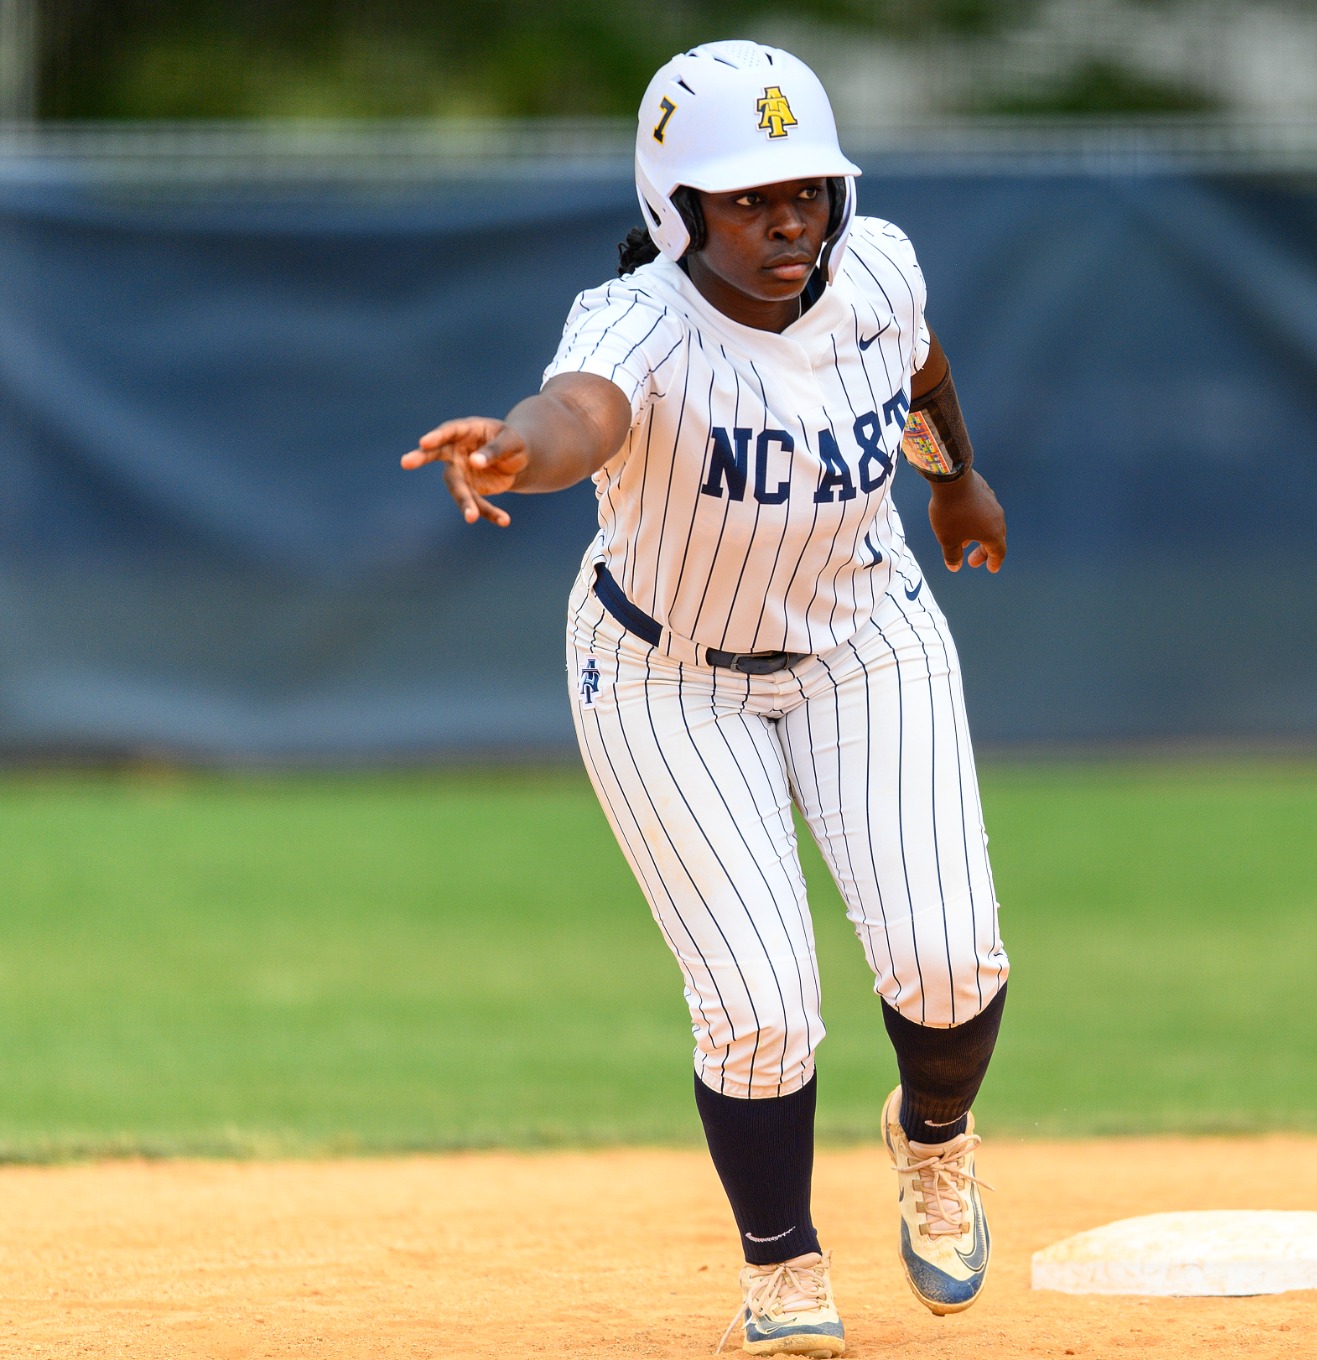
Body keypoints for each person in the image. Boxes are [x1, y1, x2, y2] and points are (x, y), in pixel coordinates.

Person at [400, 41, 1010, 1359]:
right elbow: (577, 415)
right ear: (678, 206)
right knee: (761, 1006)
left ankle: (935, 1135)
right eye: (749, 197)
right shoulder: (637, 324)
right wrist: (515, 448)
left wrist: (955, 478)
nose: (790, 219)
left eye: (807, 189)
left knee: (951, 962)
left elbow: (919, 362)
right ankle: (783, 1266)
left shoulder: (877, 267)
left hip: (863, 639)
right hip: (664, 675)